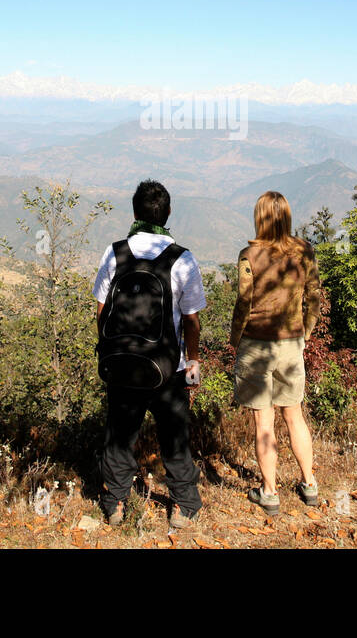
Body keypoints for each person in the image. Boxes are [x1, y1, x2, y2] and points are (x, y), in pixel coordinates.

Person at [93, 179, 206, 529]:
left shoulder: (115, 253)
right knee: (174, 435)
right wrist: (193, 361)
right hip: (167, 368)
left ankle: (114, 504)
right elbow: (191, 320)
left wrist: (111, 352)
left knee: (120, 433)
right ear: (168, 213)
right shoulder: (181, 259)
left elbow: (100, 310)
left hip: (123, 364)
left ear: (134, 212)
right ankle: (184, 506)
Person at [230, 190, 322, 516]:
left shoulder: (248, 256)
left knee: (263, 423)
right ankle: (309, 483)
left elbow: (243, 302)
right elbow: (315, 297)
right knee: (294, 415)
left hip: (256, 344)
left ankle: (269, 492)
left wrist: (234, 337)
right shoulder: (304, 252)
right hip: (292, 345)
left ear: (259, 218)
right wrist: (305, 332)